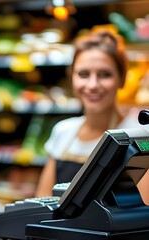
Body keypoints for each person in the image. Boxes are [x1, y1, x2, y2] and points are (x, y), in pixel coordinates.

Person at [35, 29, 149, 205]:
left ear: (122, 78)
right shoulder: (63, 131)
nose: (92, 85)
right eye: (83, 74)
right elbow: (42, 202)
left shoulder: (137, 136)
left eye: (105, 74)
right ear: (71, 77)